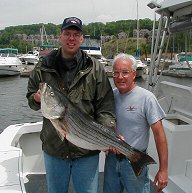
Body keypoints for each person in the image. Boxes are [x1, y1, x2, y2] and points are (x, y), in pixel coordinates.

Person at [26, 16, 115, 193]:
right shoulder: (43, 66)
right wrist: (36, 98)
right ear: (60, 36)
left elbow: (106, 106)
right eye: (67, 33)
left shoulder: (95, 68)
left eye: (76, 34)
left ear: (82, 38)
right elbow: (31, 99)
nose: (71, 38)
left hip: (86, 151)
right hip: (54, 150)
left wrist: (107, 134)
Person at [103, 53, 168, 193]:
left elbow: (159, 135)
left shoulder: (147, 98)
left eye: (125, 72)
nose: (120, 77)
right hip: (111, 160)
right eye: (116, 72)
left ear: (134, 74)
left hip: (135, 160)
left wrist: (163, 170)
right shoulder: (110, 96)